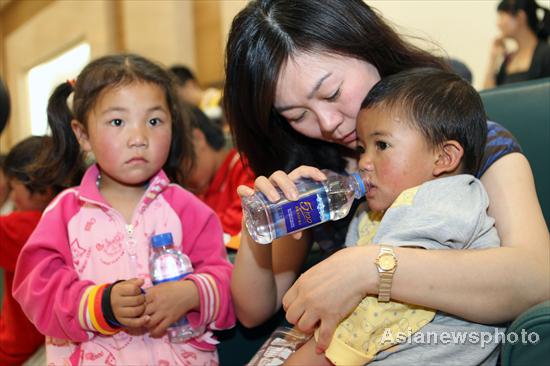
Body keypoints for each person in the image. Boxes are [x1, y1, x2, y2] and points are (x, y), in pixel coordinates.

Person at [226, 0, 549, 357]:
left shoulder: (470, 145)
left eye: (332, 93)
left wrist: (370, 267)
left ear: (367, 46)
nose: (327, 122)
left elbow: (537, 277)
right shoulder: (316, 169)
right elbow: (255, 310)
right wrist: (259, 221)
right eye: (297, 114)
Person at [13, 54, 235, 365]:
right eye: (118, 122)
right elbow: (36, 290)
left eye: (154, 121)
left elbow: (226, 280)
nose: (139, 138)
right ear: (83, 135)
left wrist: (192, 293)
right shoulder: (64, 213)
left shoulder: (189, 209)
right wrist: (100, 305)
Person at [287, 68, 503, 365]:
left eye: (382, 146)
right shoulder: (377, 210)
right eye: (362, 148)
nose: (363, 162)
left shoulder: (441, 202)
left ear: (443, 158)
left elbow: (373, 313)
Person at [1, 136, 57, 365]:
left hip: (15, 352)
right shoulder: (65, 221)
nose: (13, 198)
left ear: (42, 190)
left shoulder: (25, 226)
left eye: (15, 188)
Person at [181, 107, 255, 249]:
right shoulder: (200, 191)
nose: (181, 177)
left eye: (181, 165)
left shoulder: (246, 166)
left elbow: (249, 218)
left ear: (197, 138)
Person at [484, 0, 550, 88]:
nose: (498, 24)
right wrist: (493, 59)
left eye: (502, 16)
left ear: (520, 17)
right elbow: (488, 97)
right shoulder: (509, 59)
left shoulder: (546, 54)